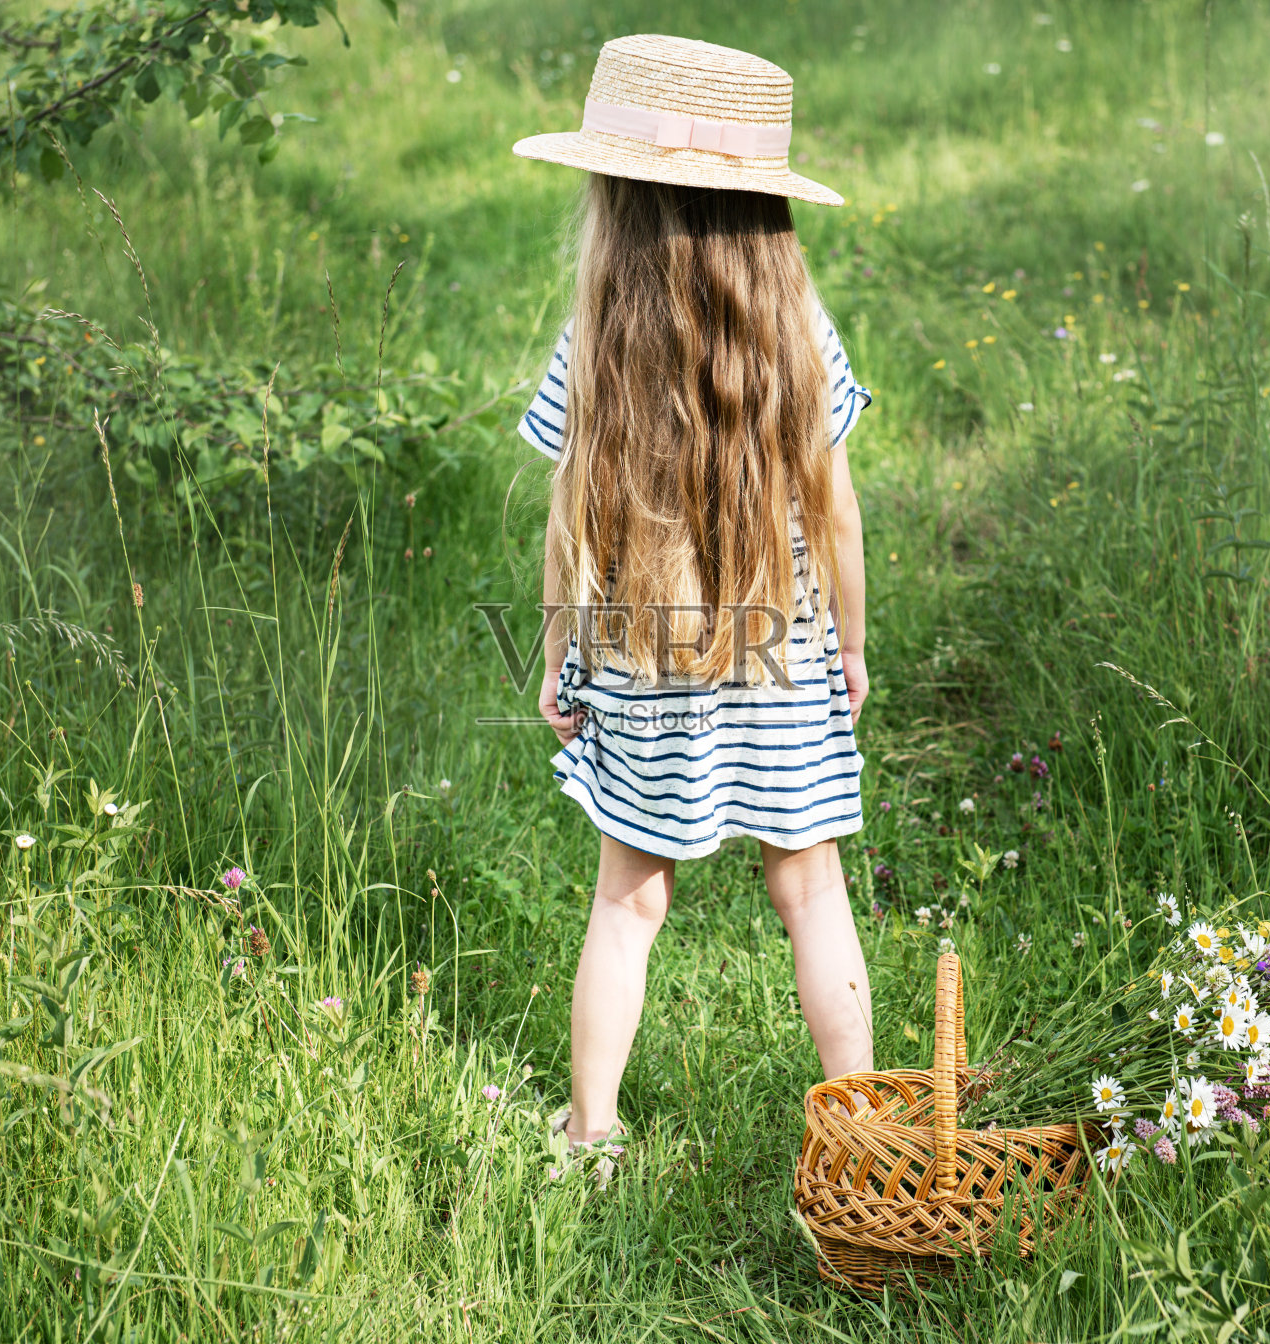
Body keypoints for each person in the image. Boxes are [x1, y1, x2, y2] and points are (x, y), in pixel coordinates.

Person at [513, 34, 874, 1179]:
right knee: (810, 886)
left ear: (613, 198)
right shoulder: (795, 335)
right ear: (767, 210)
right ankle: (860, 1129)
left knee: (627, 901)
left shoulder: (598, 341)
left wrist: (561, 652)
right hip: (783, 644)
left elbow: (572, 522)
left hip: (642, 658)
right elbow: (841, 518)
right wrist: (849, 646)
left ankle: (590, 1133)